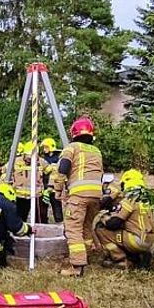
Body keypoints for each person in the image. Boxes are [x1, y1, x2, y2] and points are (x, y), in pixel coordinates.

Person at [57, 116, 105, 277]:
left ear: (74, 133)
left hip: (79, 195)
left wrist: (57, 190)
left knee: (73, 229)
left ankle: (76, 267)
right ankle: (85, 257)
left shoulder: (72, 147)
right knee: (86, 226)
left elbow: (63, 168)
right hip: (96, 195)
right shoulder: (96, 151)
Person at [95, 169, 154, 269]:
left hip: (136, 240)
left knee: (101, 229)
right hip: (150, 240)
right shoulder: (147, 198)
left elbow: (114, 223)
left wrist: (104, 218)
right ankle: (136, 256)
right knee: (126, 229)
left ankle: (121, 259)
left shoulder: (130, 198)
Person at [10, 141, 37, 222]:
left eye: (31, 156)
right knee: (19, 216)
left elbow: (50, 171)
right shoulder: (16, 161)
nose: (29, 158)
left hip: (34, 196)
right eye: (27, 155)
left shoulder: (39, 162)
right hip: (19, 195)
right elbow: (5, 171)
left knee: (36, 218)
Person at [39, 137, 61, 223]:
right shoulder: (44, 159)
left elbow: (56, 174)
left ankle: (59, 222)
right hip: (44, 187)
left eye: (46, 147)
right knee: (43, 208)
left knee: (56, 206)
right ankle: (44, 223)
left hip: (54, 187)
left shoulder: (58, 159)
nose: (44, 149)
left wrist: (51, 186)